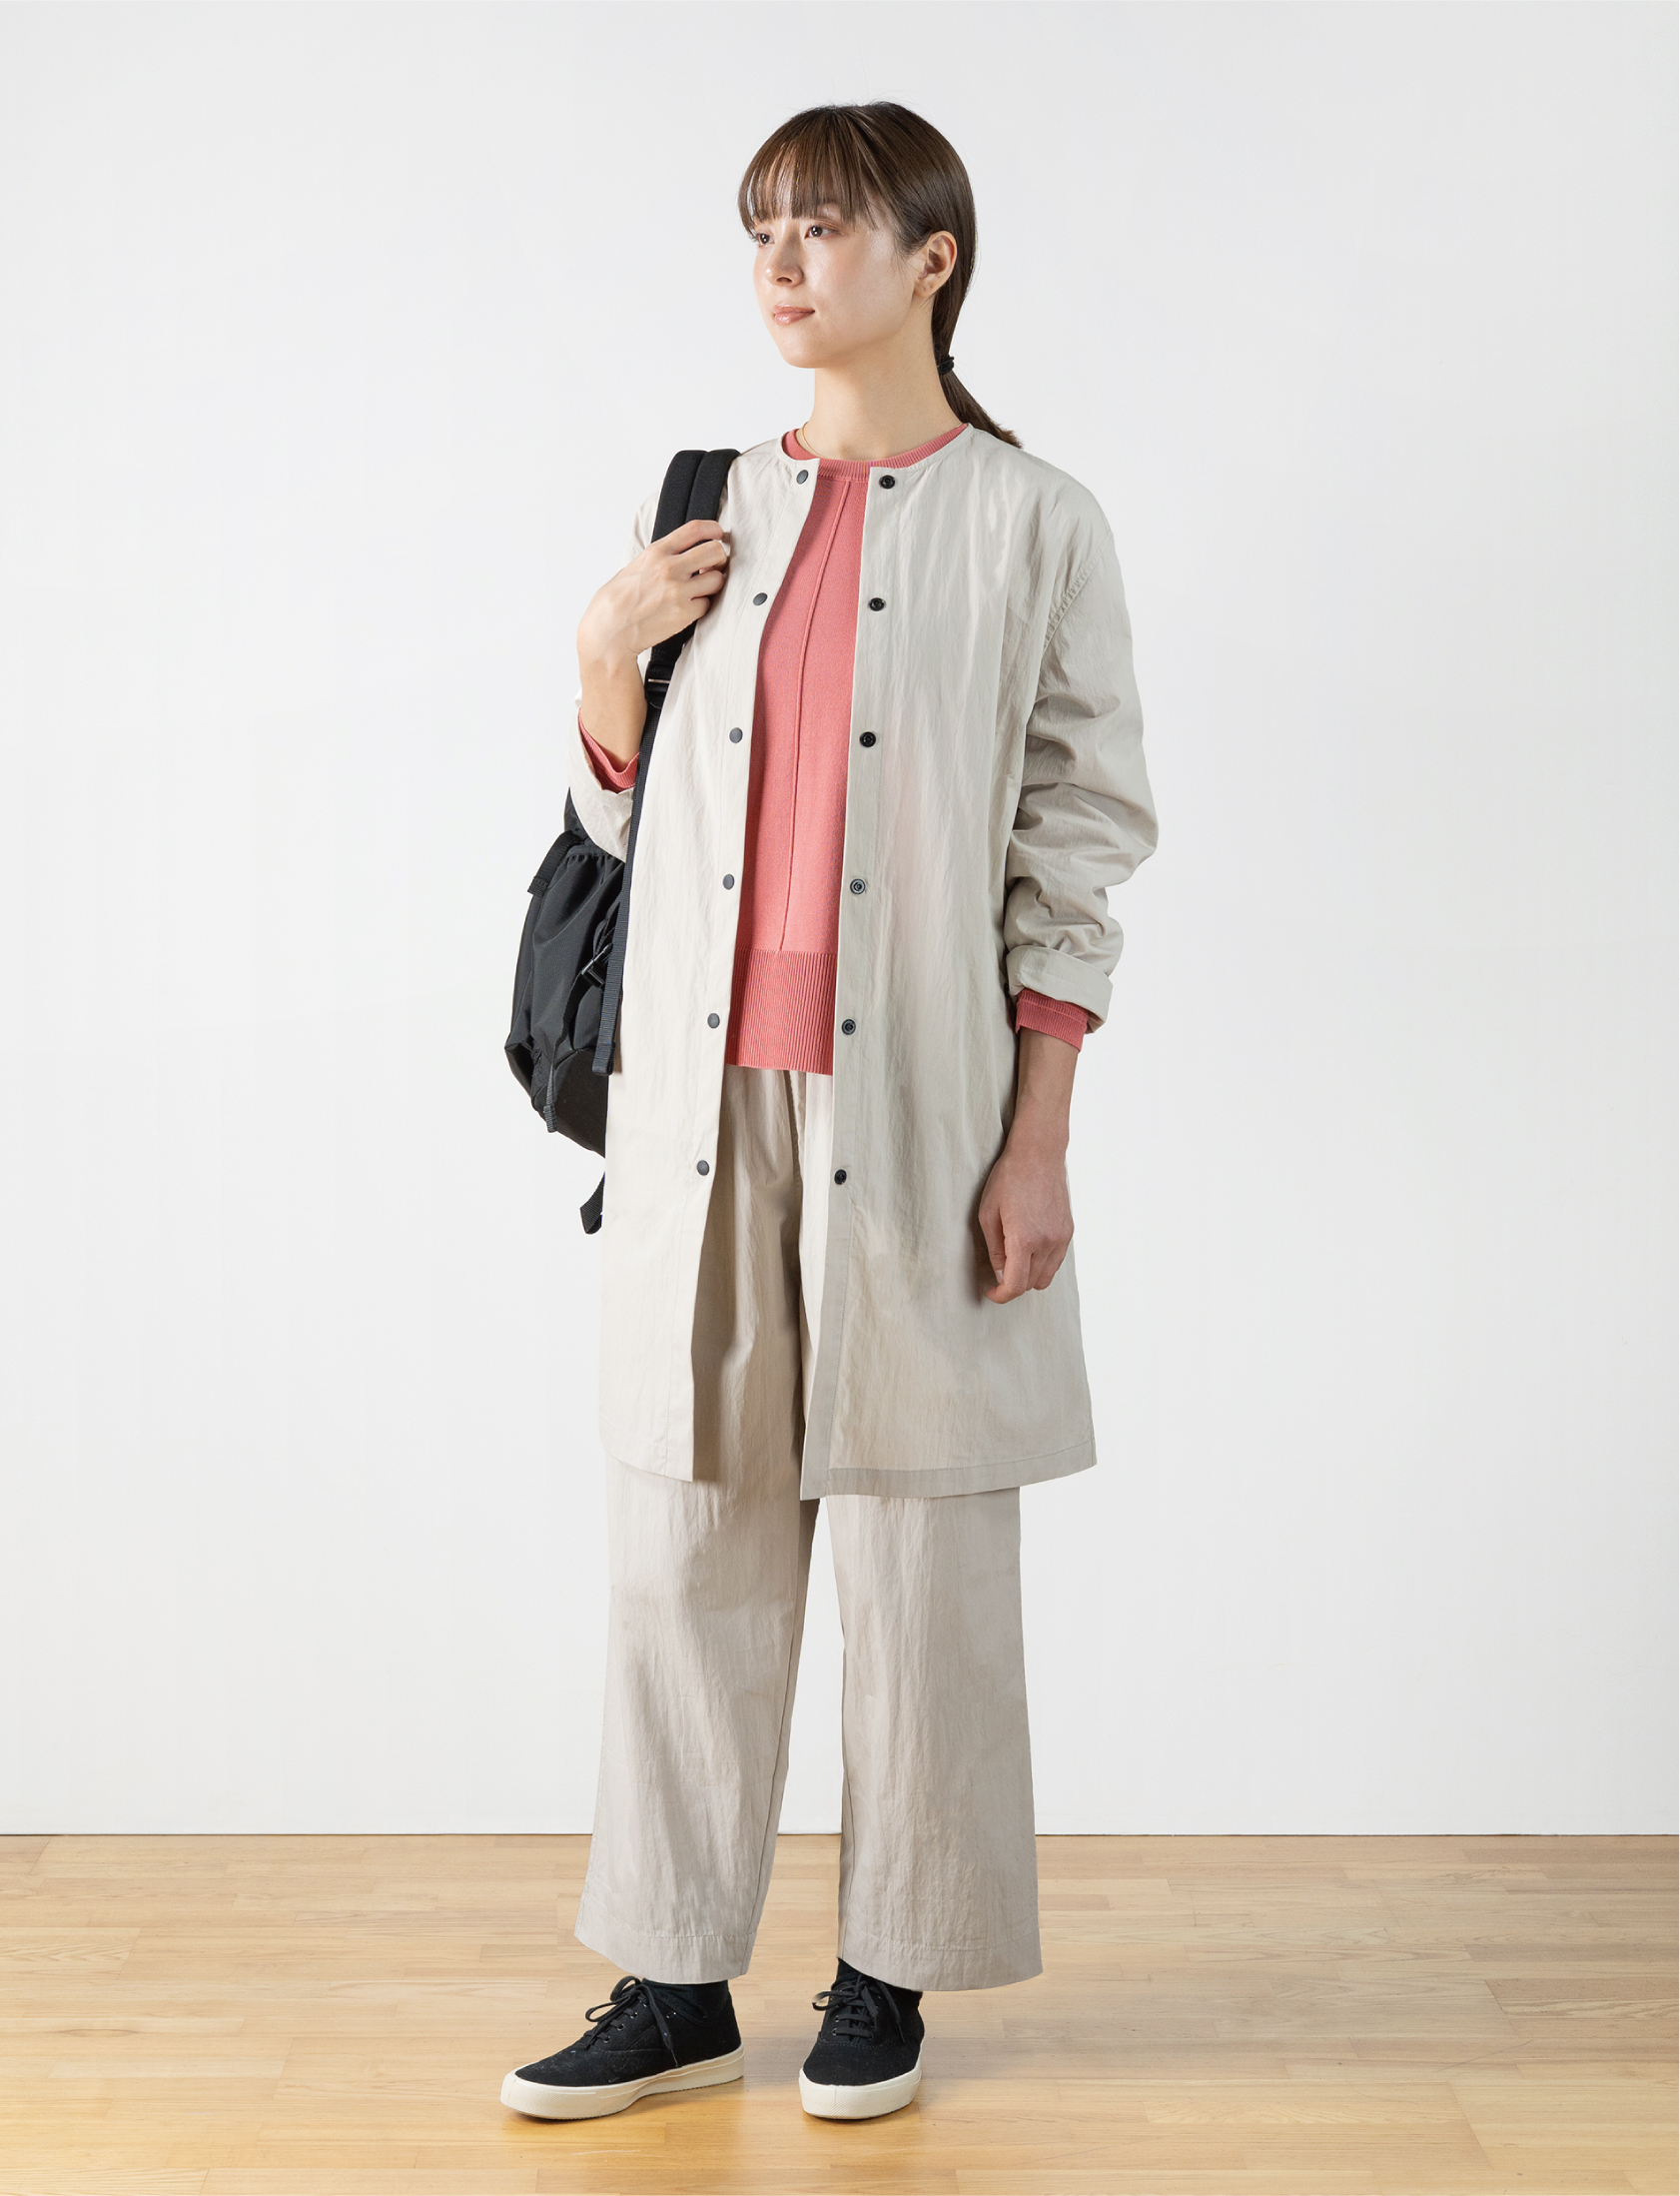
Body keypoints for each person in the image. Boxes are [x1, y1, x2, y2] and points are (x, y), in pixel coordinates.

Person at [501, 99, 1157, 2127]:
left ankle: (891, 1968)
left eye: (824, 226)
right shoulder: (707, 509)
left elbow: (1077, 838)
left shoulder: (1036, 522)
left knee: (919, 1567)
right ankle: (672, 1977)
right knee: (682, 1545)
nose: (780, 264)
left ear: (929, 258)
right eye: (760, 228)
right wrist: (600, 659)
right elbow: (613, 827)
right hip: (701, 1113)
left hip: (928, 1116)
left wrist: (1039, 1134)